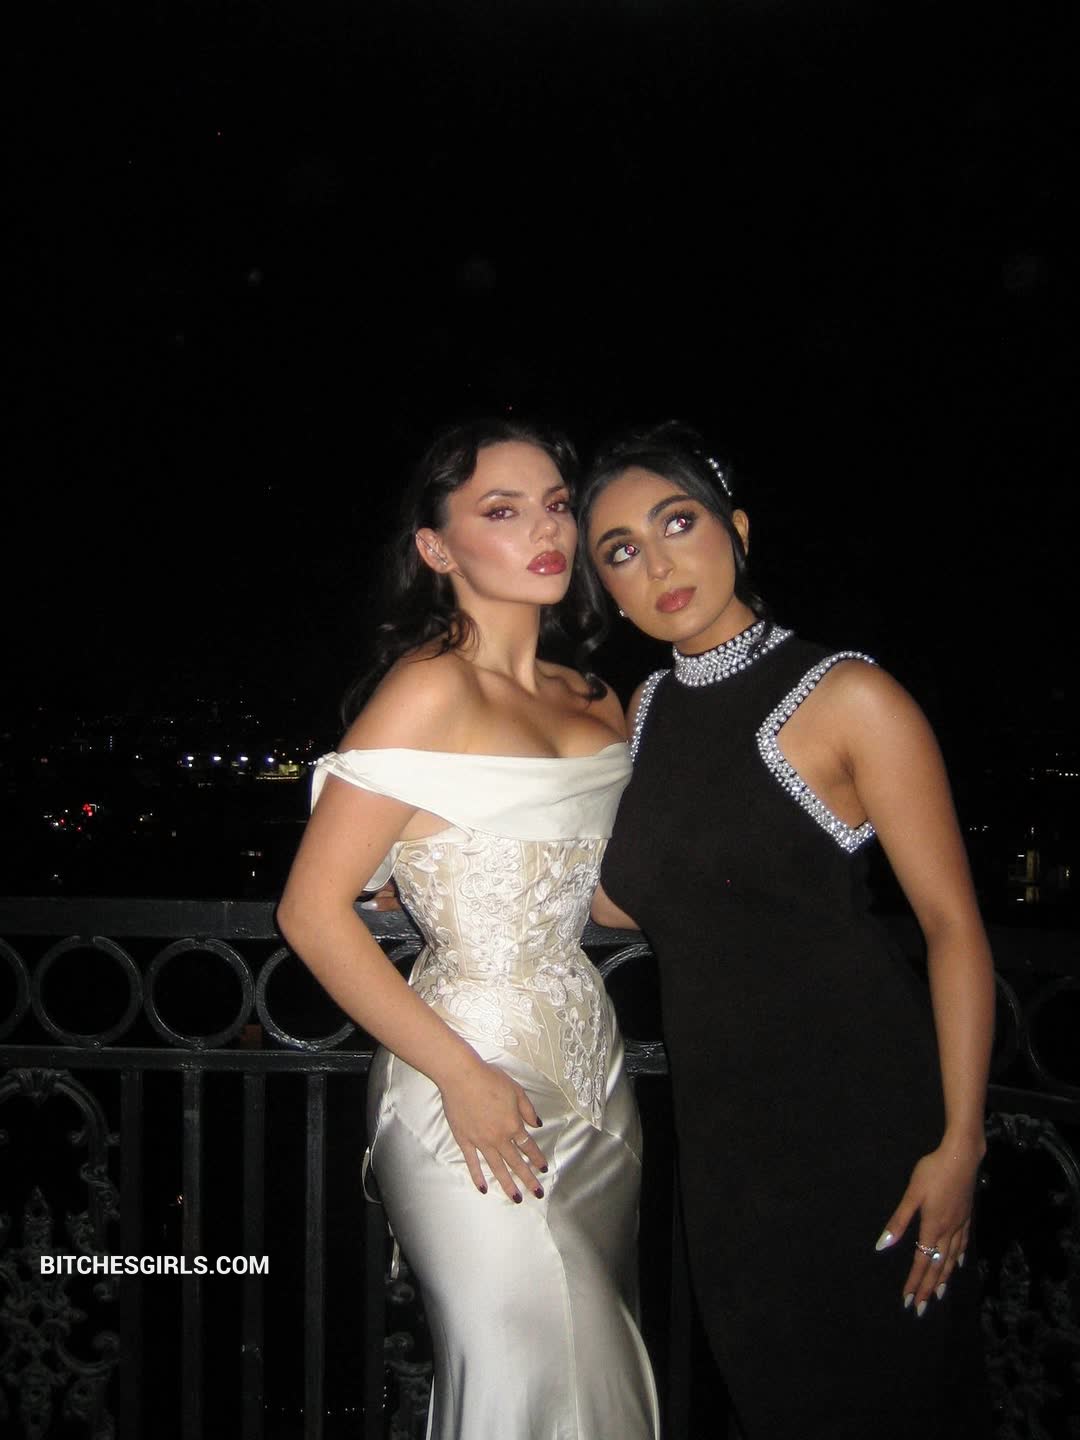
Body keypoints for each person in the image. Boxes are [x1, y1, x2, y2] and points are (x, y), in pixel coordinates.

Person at [577, 420, 993, 1439]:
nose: (658, 564)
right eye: (622, 550)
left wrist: (961, 1142)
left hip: (864, 1124)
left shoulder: (847, 694)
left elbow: (952, 927)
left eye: (678, 523)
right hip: (726, 1142)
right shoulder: (647, 709)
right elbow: (627, 900)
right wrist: (442, 872)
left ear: (739, 530)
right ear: (608, 588)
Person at [276, 417, 660, 1440]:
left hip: (597, 1081)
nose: (548, 530)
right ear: (436, 549)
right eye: (502, 510)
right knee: (537, 1373)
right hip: (466, 1074)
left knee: (595, 1367)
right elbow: (311, 912)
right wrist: (460, 1074)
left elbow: (606, 903)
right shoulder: (428, 688)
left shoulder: (597, 701)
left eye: (557, 505)